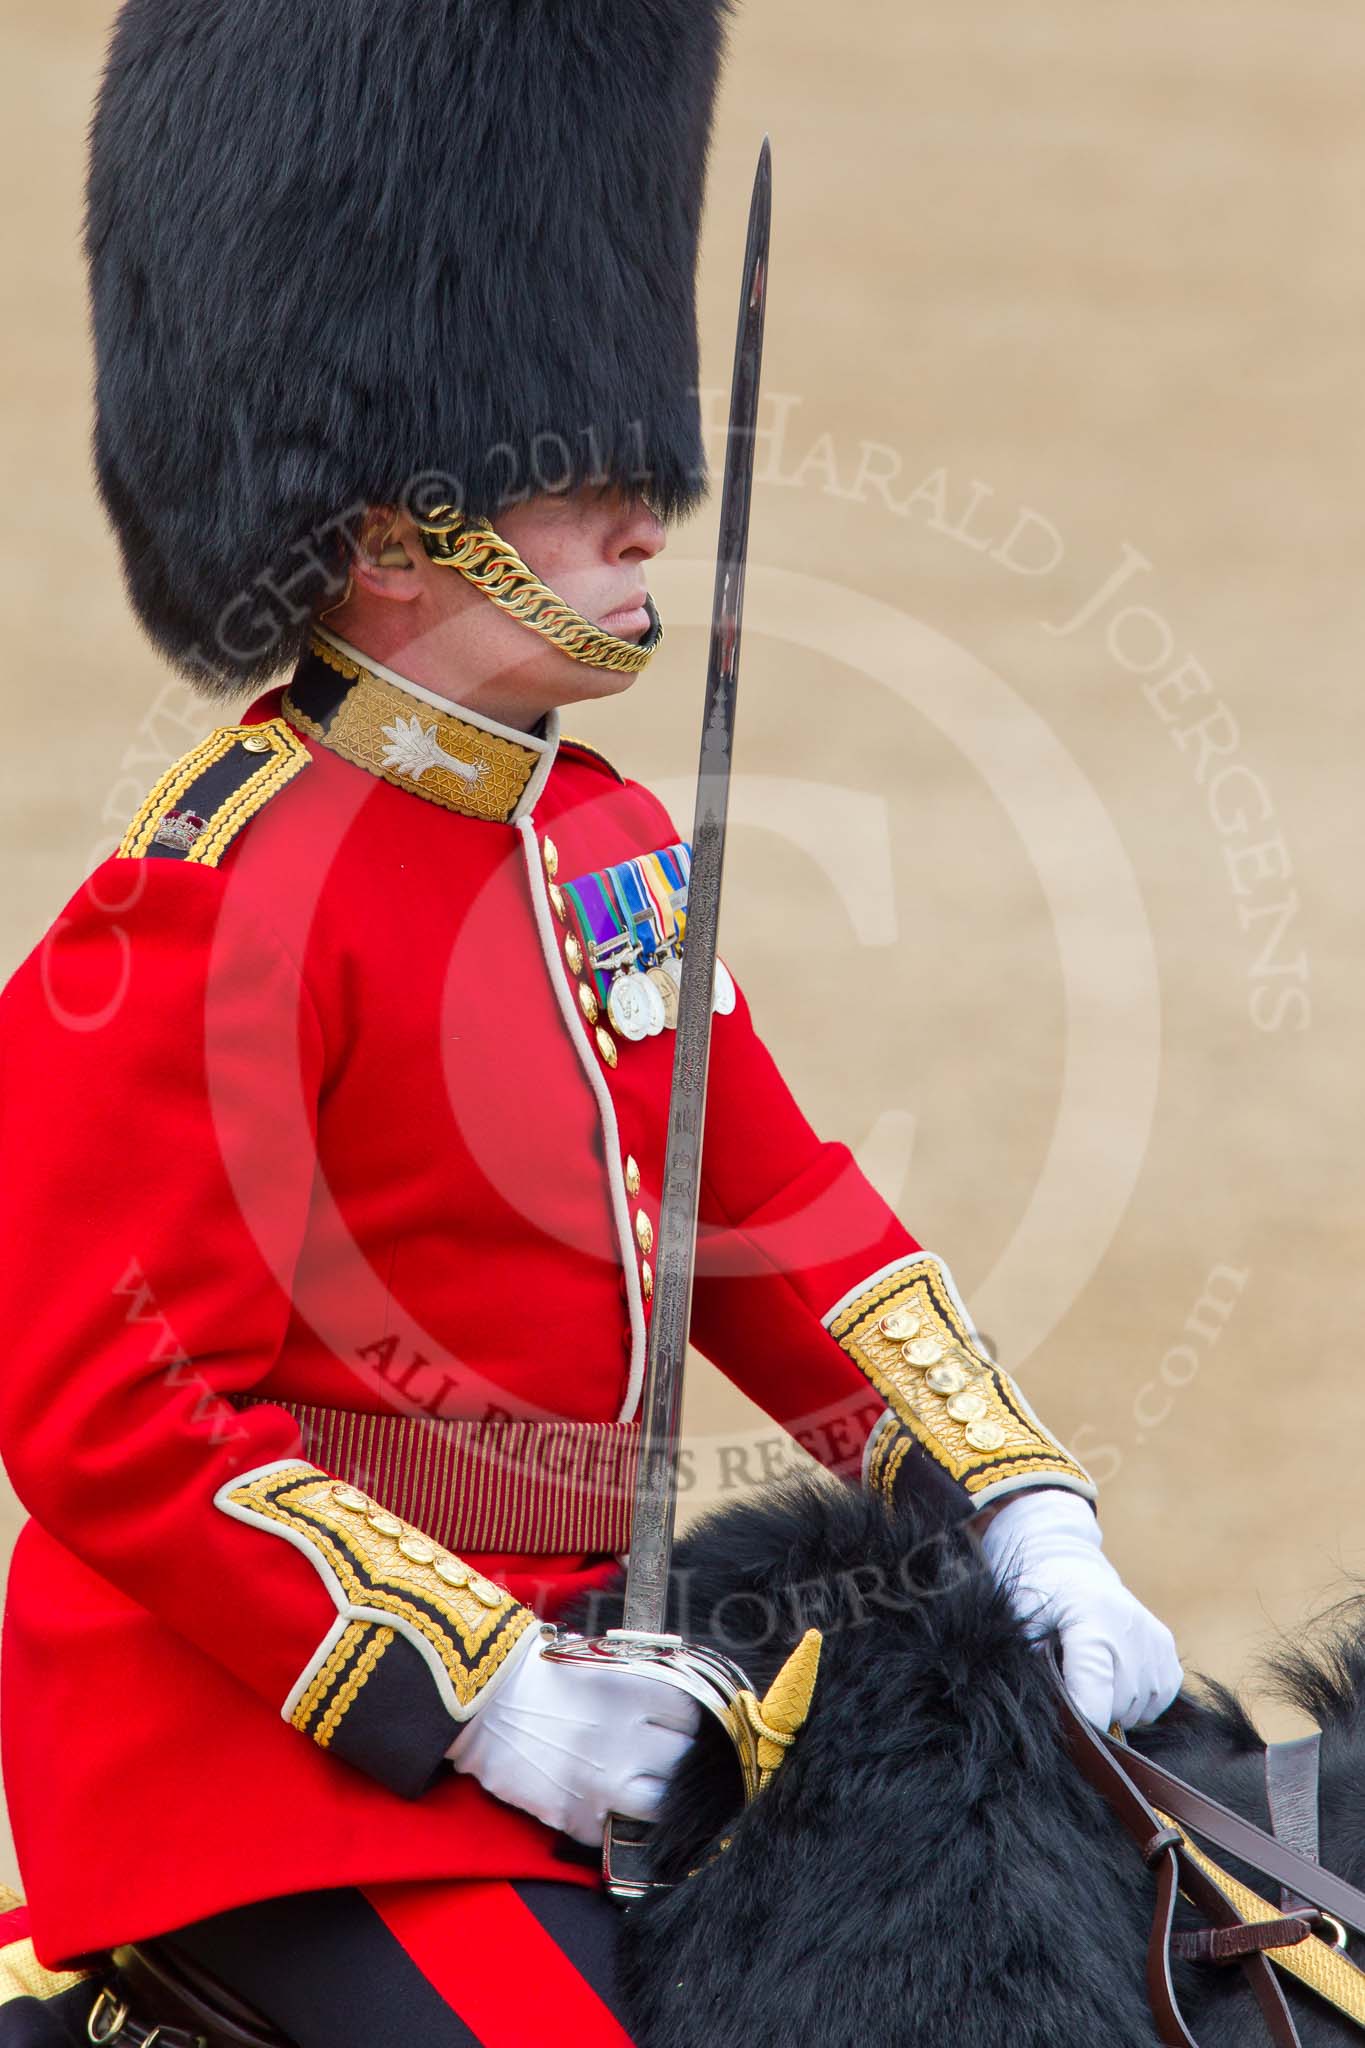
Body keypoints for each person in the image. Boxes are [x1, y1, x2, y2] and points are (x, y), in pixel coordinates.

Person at [0, 2, 1181, 2042]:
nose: (645, 509)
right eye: (577, 475)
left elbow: (772, 1209)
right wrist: (481, 1695)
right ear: (384, 530)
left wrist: (1017, 1504)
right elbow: (115, 1414)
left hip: (622, 1687)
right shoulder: (204, 912)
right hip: (276, 1775)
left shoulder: (597, 842)